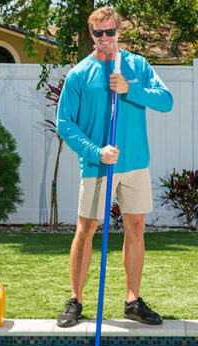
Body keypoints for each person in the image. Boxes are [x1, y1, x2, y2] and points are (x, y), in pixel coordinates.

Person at [54, 6, 173, 327]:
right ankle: (75, 300)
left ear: (120, 31)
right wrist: (96, 151)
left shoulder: (137, 66)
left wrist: (129, 89)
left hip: (136, 163)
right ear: (90, 35)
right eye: (98, 33)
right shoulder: (80, 74)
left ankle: (133, 301)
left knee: (136, 228)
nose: (105, 38)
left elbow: (166, 100)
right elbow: (65, 123)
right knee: (86, 229)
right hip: (98, 165)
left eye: (110, 32)